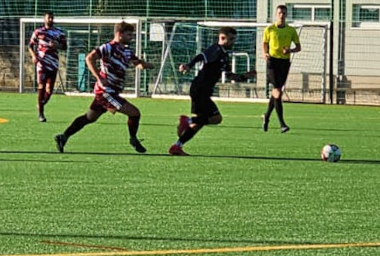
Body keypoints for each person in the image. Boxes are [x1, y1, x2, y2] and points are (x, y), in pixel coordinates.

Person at [54, 21, 153, 154]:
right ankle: (133, 139)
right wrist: (99, 78)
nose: (131, 37)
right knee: (134, 113)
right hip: (106, 92)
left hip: (111, 91)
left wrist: (147, 65)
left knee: (89, 117)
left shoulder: (127, 50)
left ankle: (63, 137)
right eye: (129, 34)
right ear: (119, 34)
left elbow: (137, 63)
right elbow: (89, 58)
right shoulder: (108, 47)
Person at [169, 27, 254, 156]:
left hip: (203, 91)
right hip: (200, 89)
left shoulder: (224, 55)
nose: (233, 42)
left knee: (202, 122)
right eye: (231, 39)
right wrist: (189, 65)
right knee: (215, 118)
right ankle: (187, 121)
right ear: (222, 38)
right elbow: (201, 56)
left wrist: (244, 77)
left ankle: (177, 146)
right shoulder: (216, 49)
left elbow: (230, 76)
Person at [261, 4, 300, 132]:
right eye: (279, 13)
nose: (281, 15)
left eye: (284, 13)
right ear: (276, 14)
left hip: (284, 63)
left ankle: (266, 117)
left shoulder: (291, 30)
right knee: (277, 91)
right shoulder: (270, 29)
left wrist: (290, 50)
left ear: (286, 15)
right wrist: (265, 53)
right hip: (272, 62)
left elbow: (298, 47)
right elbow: (265, 43)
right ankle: (282, 124)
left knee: (276, 93)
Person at [28, 12, 67, 122]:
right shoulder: (38, 32)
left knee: (49, 90)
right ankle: (41, 114)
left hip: (53, 63)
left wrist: (57, 46)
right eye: (48, 17)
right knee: (41, 86)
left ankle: (41, 104)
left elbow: (65, 46)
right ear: (44, 19)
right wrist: (34, 56)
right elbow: (30, 45)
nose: (50, 19)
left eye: (52, 18)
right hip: (42, 63)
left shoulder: (59, 33)